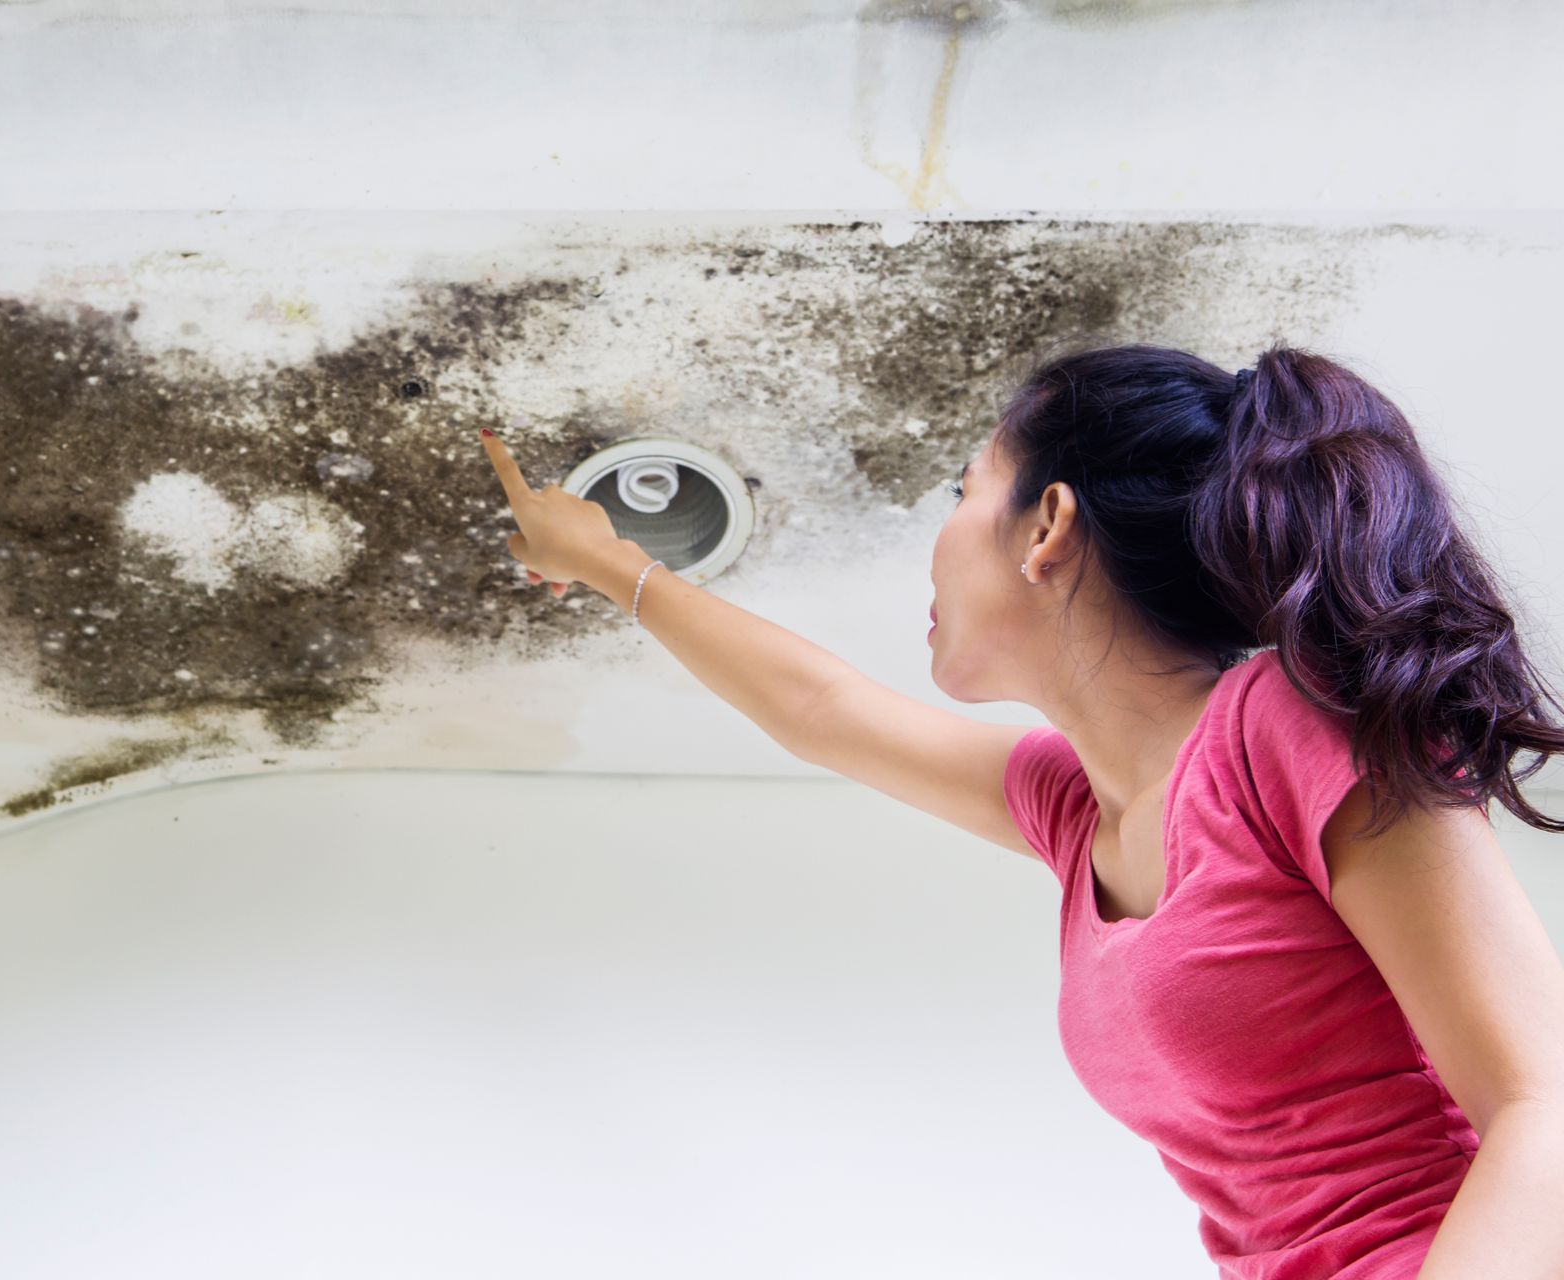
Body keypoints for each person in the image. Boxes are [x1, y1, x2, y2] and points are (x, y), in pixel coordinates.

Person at [479, 339, 1564, 1279]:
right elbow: (825, 709)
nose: (940, 536)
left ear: (1047, 524)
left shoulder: (1290, 723)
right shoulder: (1076, 811)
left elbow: (1543, 1105)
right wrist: (612, 567)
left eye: (962, 491)